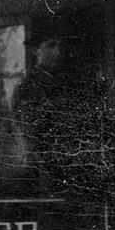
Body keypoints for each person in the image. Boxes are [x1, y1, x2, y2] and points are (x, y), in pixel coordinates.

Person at [12, 33, 72, 185]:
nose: (57, 52)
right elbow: (29, 130)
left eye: (59, 46)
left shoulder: (62, 81)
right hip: (43, 164)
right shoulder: (28, 86)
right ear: (35, 51)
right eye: (51, 46)